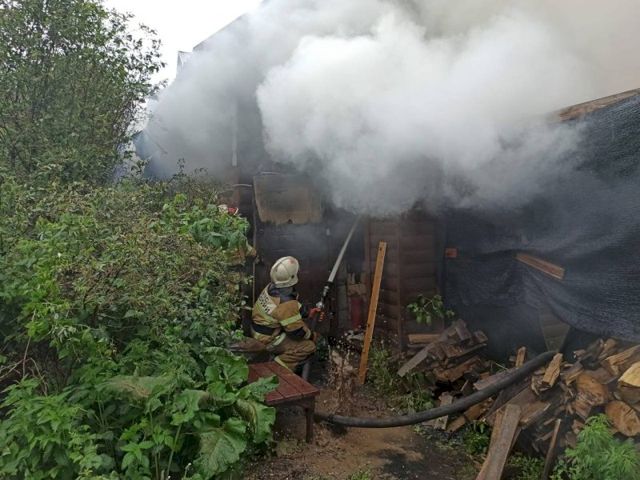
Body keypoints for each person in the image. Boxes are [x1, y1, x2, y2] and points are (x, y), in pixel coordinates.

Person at [251, 256, 317, 371]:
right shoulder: (286, 302)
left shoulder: (272, 287)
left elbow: (288, 307)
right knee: (309, 346)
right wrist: (312, 336)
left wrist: (307, 312)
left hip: (259, 330)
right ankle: (277, 368)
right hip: (268, 339)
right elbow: (296, 332)